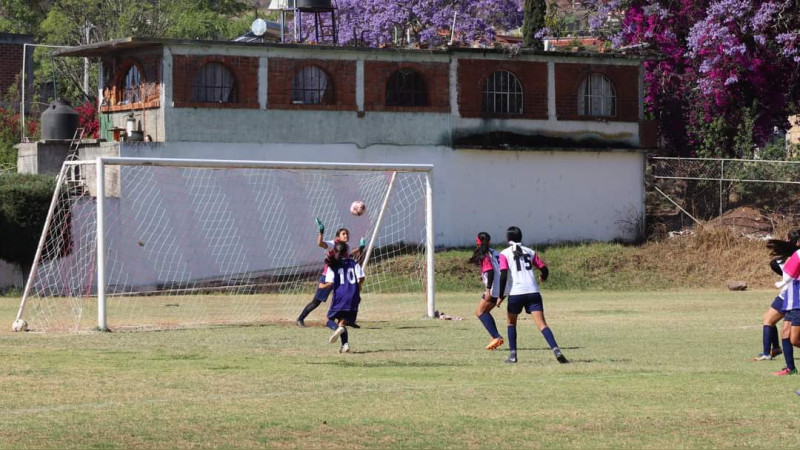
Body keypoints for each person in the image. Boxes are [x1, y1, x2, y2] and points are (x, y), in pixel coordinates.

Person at [498, 226, 568, 364]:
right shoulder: (530, 251)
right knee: (542, 324)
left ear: (507, 239)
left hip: (516, 293)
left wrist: (500, 295)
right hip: (533, 292)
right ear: (521, 238)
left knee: (511, 323)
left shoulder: (504, 253)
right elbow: (544, 268)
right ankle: (556, 350)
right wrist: (543, 277)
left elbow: (503, 275)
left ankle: (513, 356)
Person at [296, 218, 364, 328]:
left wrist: (360, 248)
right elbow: (320, 243)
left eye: (347, 234)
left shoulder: (345, 247)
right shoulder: (333, 244)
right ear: (338, 237)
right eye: (343, 234)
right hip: (329, 278)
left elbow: (349, 255)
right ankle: (300, 318)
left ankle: (347, 320)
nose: (346, 235)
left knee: (353, 297)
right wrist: (321, 231)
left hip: (341, 278)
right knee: (316, 302)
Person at [319, 241, 365, 353]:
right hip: (353, 296)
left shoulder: (333, 265)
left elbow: (330, 283)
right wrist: (358, 286)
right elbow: (362, 277)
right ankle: (345, 345)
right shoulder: (353, 263)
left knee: (327, 319)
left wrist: (321, 286)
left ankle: (336, 329)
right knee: (342, 322)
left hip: (340, 296)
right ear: (347, 252)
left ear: (335, 251)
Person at [765, 232, 800, 376]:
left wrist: (781, 283)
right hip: (790, 301)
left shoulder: (798, 255)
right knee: (785, 332)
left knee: (795, 339)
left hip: (798, 302)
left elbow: (791, 275)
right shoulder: (794, 255)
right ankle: (790, 368)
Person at [469, 232, 504, 350]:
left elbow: (490, 272)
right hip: (503, 286)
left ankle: (496, 336)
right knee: (486, 312)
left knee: (480, 312)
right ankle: (494, 336)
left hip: (494, 287)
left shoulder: (484, 255)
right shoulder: (495, 252)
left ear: (478, 242)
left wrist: (488, 289)